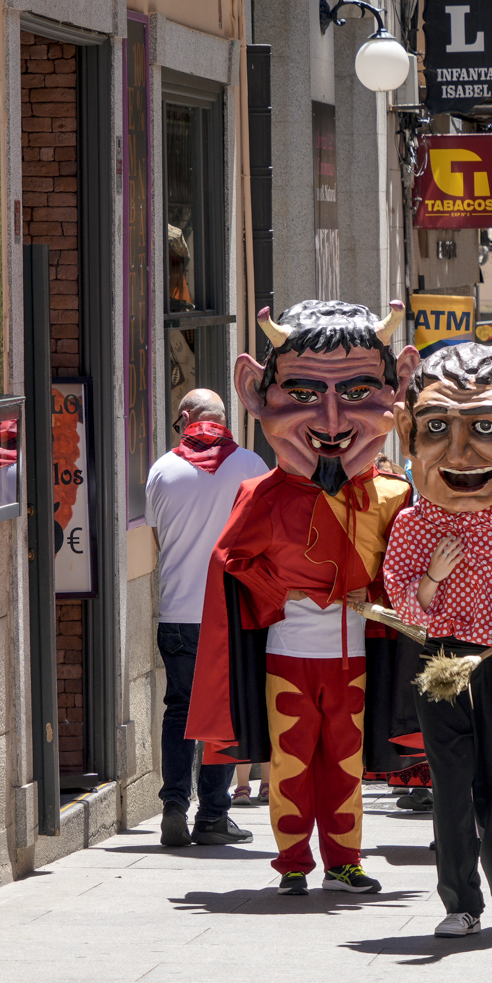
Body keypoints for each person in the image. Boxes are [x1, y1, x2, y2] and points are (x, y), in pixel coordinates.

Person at [187, 300, 419, 899]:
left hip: (356, 657)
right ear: (256, 392)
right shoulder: (261, 494)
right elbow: (231, 563)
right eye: (304, 392)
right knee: (291, 761)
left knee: (345, 761)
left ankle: (344, 861)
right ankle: (292, 861)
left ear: (397, 388)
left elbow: (406, 569)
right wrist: (285, 592)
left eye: (359, 390)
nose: (332, 418)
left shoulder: (393, 494)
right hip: (287, 653)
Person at [382, 343, 492, 938]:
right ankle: (459, 902)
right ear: (408, 434)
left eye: (484, 428)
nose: (458, 455)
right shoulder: (414, 523)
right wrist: (432, 577)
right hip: (444, 662)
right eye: (437, 429)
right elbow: (405, 603)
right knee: (451, 785)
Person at [145, 389, 266, 849]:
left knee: (179, 708)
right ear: (222, 419)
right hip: (230, 612)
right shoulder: (252, 466)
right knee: (224, 712)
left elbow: (159, 541)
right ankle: (213, 815)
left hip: (177, 611)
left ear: (184, 419)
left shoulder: (162, 469)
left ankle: (174, 805)